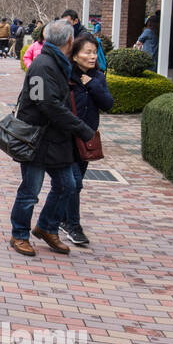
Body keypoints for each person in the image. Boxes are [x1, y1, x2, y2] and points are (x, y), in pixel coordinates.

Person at [8, 19, 95, 257]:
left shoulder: (58, 63)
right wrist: (80, 127)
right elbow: (44, 103)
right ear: (69, 41)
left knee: (69, 185)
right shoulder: (42, 65)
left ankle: (47, 227)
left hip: (57, 140)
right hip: (37, 140)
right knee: (30, 191)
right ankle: (19, 234)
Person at [60, 32, 112, 248]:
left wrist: (92, 84)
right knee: (74, 182)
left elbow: (108, 104)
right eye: (87, 52)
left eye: (94, 52)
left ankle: (62, 217)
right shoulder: (65, 74)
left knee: (75, 184)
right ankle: (74, 225)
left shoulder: (98, 77)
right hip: (66, 137)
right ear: (75, 55)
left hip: (86, 139)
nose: (92, 57)